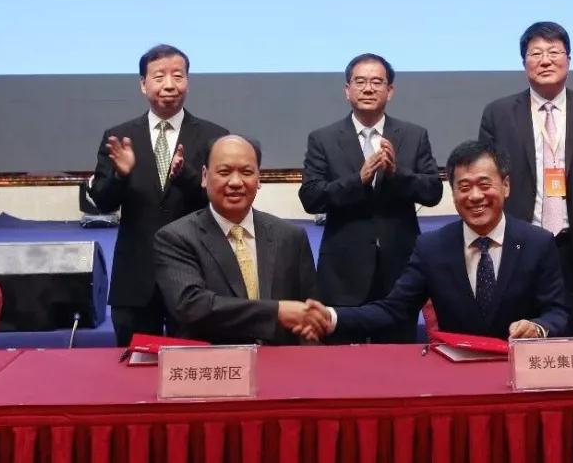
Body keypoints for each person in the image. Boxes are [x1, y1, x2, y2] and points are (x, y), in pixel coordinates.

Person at [306, 140, 569, 342]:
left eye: (484, 184)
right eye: (464, 187)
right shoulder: (433, 247)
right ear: (453, 194)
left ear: (506, 186)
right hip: (458, 371)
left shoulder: (537, 242)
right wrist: (331, 316)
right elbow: (393, 310)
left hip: (520, 369)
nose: (475, 196)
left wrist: (538, 327)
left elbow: (556, 312)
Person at [478, 21, 573, 337]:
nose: (545, 60)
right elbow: (485, 182)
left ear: (569, 60)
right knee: (520, 334)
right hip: (518, 240)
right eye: (536, 53)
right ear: (524, 63)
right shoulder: (498, 114)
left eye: (554, 52)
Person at [89, 44, 228, 346]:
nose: (169, 85)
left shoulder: (214, 137)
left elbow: (225, 203)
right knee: (134, 365)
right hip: (136, 279)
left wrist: (188, 177)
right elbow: (102, 201)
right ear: (143, 84)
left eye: (178, 76)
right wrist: (121, 175)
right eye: (159, 76)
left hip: (197, 276)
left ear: (187, 81)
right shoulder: (119, 136)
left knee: (193, 364)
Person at [299, 53, 443, 342]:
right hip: (343, 271)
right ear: (347, 89)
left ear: (390, 91)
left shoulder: (413, 135)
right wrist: (358, 180)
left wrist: (397, 174)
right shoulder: (323, 138)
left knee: (396, 355)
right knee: (342, 359)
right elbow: (311, 197)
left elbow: (433, 192)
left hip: (399, 268)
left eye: (377, 82)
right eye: (360, 82)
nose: (368, 89)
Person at [155, 135, 322, 344]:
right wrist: (276, 312)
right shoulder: (176, 238)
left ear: (258, 178)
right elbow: (191, 307)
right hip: (213, 361)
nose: (235, 182)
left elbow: (309, 317)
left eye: (246, 172)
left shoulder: (290, 236)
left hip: (281, 360)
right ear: (204, 176)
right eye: (224, 172)